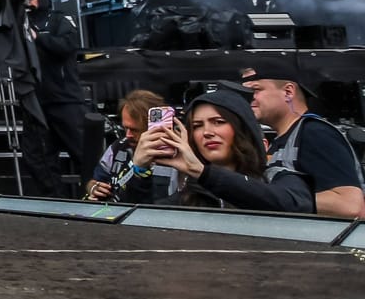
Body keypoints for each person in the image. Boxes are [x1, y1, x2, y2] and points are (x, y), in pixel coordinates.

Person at [118, 89, 311, 212]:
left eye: (218, 122)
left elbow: (293, 205)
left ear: (243, 129)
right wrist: (139, 172)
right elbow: (139, 227)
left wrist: (202, 172)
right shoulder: (189, 196)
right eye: (198, 125)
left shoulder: (277, 176)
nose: (207, 132)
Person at [243, 67, 365, 219]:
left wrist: (267, 197)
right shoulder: (282, 141)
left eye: (255, 90)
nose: (248, 98)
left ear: (288, 92)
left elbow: (349, 205)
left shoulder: (314, 132)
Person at [22, 0, 102, 195]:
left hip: (64, 99)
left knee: (83, 152)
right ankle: (55, 200)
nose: (29, 1)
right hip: (35, 102)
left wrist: (38, 38)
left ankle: (96, 193)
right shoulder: (20, 24)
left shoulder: (60, 19)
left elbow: (67, 46)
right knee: (38, 157)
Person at [87, 89, 179, 202]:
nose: (128, 135)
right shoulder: (118, 148)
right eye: (125, 128)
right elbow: (94, 181)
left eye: (135, 130)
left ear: (154, 126)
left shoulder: (178, 155)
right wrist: (93, 188)